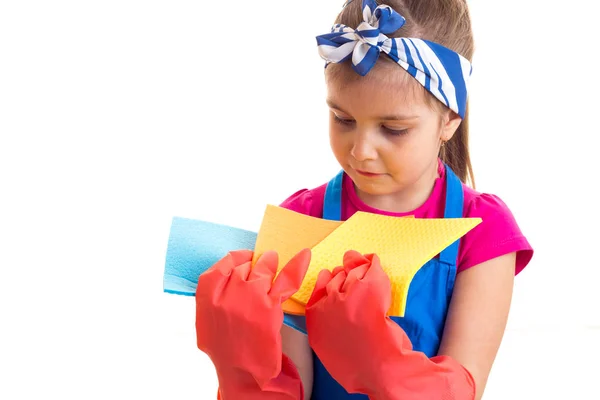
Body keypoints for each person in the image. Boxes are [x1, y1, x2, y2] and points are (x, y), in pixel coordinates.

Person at [194, 0, 534, 399]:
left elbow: (464, 387)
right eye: (343, 120)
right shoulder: (301, 218)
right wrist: (246, 370)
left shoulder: (484, 231)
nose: (361, 151)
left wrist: (382, 365)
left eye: (393, 129)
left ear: (449, 120)